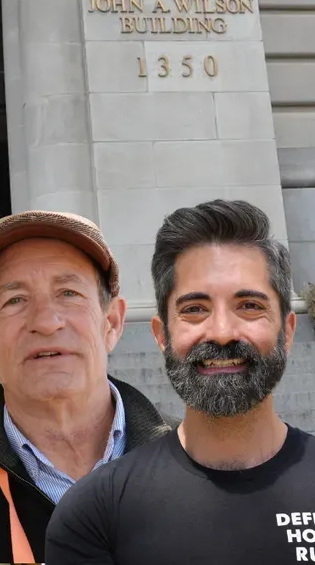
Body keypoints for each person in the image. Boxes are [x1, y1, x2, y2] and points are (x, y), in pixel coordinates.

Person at [0, 210, 179, 564]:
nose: (46, 322)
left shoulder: (198, 467)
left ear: (112, 322)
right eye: (15, 300)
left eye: (69, 292)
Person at [46, 199, 313, 565]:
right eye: (194, 309)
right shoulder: (94, 514)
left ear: (286, 331)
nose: (221, 333)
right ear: (162, 335)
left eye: (250, 306)